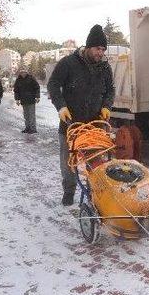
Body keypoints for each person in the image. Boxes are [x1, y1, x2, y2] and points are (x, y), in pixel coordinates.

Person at [47, 24, 115, 206]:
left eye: (103, 49)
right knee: (68, 162)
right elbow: (53, 84)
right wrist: (61, 106)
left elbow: (110, 90)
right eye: (97, 48)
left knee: (95, 161)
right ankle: (69, 191)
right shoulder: (68, 63)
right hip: (70, 124)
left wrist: (107, 106)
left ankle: (94, 192)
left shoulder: (105, 68)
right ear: (88, 46)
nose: (100, 53)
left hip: (94, 125)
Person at [13, 70, 40, 134]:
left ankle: (33, 129)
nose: (23, 73)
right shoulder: (18, 80)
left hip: (31, 100)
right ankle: (27, 128)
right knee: (26, 115)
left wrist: (37, 97)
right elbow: (16, 91)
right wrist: (17, 99)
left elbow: (37, 87)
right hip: (23, 100)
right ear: (20, 73)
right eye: (22, 72)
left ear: (27, 72)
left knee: (31, 115)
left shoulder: (31, 78)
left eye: (24, 72)